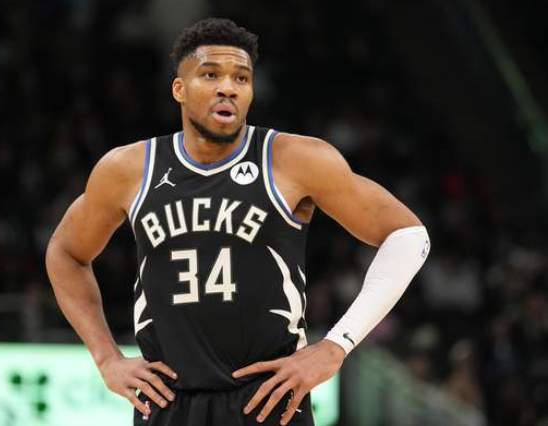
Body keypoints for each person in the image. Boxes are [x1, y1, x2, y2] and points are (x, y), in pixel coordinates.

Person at [45, 18, 430, 426]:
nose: (228, 87)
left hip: (270, 400)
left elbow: (408, 236)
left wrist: (336, 345)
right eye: (211, 75)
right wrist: (106, 358)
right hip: (168, 402)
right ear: (179, 89)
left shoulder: (295, 160)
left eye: (241, 78)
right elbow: (66, 252)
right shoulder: (128, 169)